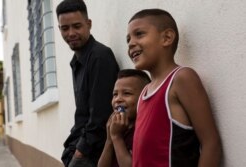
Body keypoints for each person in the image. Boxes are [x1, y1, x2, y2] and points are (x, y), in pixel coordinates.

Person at [126, 9, 222, 167]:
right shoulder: (144, 92)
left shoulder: (181, 79)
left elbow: (211, 144)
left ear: (167, 38)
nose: (131, 43)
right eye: (128, 39)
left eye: (139, 34)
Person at [56, 0, 119, 166]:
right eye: (65, 28)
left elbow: (100, 115)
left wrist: (80, 151)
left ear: (88, 24)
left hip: (96, 152)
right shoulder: (76, 62)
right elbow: (82, 114)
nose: (71, 33)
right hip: (81, 146)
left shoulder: (100, 57)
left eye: (77, 26)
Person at [98, 69, 151, 167]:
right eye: (115, 94)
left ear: (144, 97)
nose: (118, 99)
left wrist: (117, 137)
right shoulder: (119, 128)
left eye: (127, 93)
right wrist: (109, 139)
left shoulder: (145, 129)